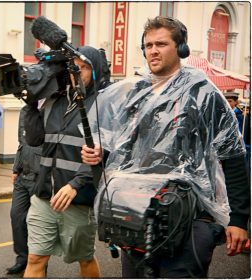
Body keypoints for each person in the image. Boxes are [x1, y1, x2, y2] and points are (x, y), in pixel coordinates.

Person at [81, 16, 250, 278]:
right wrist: (100, 155)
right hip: (137, 214)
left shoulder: (203, 93)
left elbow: (233, 156)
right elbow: (124, 153)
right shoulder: (136, 93)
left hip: (190, 219)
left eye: (161, 44)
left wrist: (239, 220)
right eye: (148, 45)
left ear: (181, 48)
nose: (153, 51)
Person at [22, 46, 110, 278]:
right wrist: (30, 102)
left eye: (84, 68)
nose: (77, 72)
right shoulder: (54, 99)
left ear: (96, 70)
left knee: (84, 258)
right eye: (74, 67)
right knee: (35, 257)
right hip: (44, 195)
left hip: (78, 198)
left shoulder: (104, 104)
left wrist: (76, 184)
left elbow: (106, 152)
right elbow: (34, 138)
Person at [7, 106, 43, 274]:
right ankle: (22, 258)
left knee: (37, 224)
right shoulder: (25, 110)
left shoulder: (53, 107)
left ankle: (38, 263)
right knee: (17, 217)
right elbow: (22, 142)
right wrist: (16, 168)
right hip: (23, 175)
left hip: (40, 176)